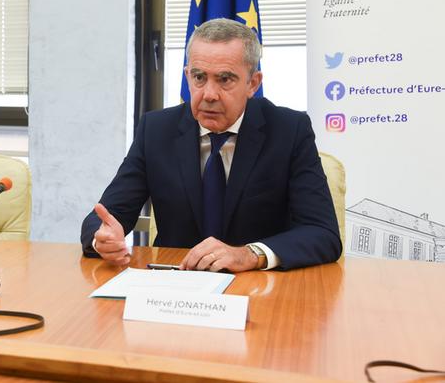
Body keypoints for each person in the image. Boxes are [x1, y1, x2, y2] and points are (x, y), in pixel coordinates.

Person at [81, 18, 342, 271]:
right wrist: (102, 238)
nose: (209, 94)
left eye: (225, 79)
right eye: (199, 77)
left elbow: (322, 233)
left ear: (253, 83)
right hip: (173, 287)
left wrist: (251, 254)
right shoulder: (156, 130)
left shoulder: (289, 130)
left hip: (259, 289)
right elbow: (104, 217)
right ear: (187, 75)